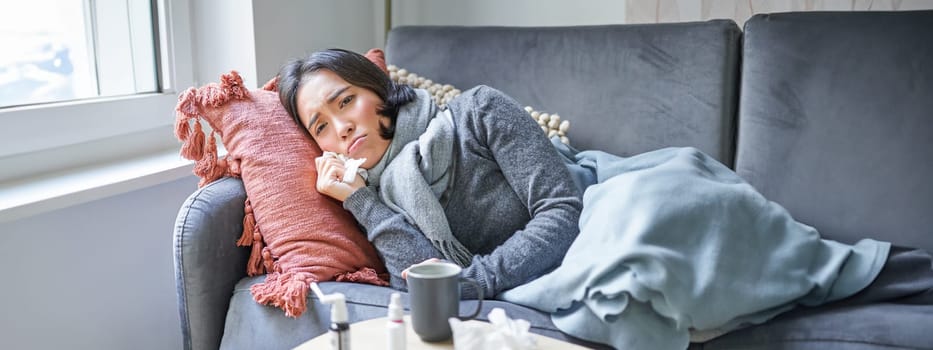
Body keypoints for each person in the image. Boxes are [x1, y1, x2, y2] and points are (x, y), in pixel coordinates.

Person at [277, 48, 583, 298]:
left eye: (345, 101)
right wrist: (361, 201)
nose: (342, 127)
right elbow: (418, 286)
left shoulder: (479, 112)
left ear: (377, 88)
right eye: (321, 126)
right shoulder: (376, 197)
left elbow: (564, 211)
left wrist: (472, 282)